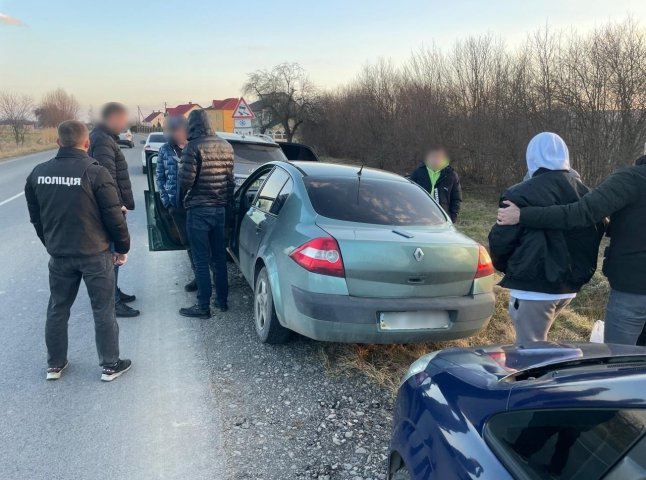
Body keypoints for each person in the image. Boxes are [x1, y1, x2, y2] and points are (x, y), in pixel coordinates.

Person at [497, 154, 646, 345]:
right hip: (630, 286)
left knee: (619, 360)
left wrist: (522, 215)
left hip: (632, 289)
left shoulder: (631, 179)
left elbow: (580, 214)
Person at [24, 120, 132, 382]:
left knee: (57, 309)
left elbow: (37, 219)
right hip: (95, 254)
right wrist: (122, 248)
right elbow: (114, 217)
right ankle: (109, 365)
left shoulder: (38, 173)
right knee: (103, 310)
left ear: (58, 142)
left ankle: (55, 365)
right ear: (87, 143)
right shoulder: (96, 173)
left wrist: (50, 242)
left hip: (59, 254)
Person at [488, 132, 604, 344]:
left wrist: (510, 268)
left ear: (531, 157)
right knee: (542, 348)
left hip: (533, 288)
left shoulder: (519, 194)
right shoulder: (587, 193)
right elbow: (595, 233)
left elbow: (501, 241)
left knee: (529, 353)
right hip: (569, 289)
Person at [178, 109, 234, 318]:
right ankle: (222, 301)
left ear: (192, 126)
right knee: (219, 258)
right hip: (219, 209)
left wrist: (181, 201)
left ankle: (203, 307)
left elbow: (185, 182)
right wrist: (227, 207)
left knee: (201, 260)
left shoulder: (192, 147)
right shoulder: (226, 146)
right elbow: (230, 181)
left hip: (199, 210)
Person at [89, 102, 140, 318]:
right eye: (121, 120)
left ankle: (114, 292)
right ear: (110, 119)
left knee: (113, 255)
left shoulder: (105, 138)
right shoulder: (102, 141)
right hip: (110, 207)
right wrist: (117, 204)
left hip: (112, 205)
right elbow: (106, 177)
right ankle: (113, 301)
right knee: (112, 255)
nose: (123, 124)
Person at [156, 116, 197, 292]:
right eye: (174, 130)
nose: (178, 132)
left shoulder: (194, 147)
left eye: (181, 129)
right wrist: (167, 202)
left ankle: (206, 276)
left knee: (200, 242)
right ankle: (198, 276)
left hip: (196, 203)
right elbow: (160, 177)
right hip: (177, 205)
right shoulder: (165, 150)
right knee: (187, 242)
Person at [410, 146, 462, 222]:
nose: (435, 160)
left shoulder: (451, 175)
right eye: (433, 156)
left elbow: (456, 199)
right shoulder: (419, 172)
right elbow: (409, 195)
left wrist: (452, 218)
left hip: (441, 220)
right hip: (419, 218)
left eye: (438, 157)